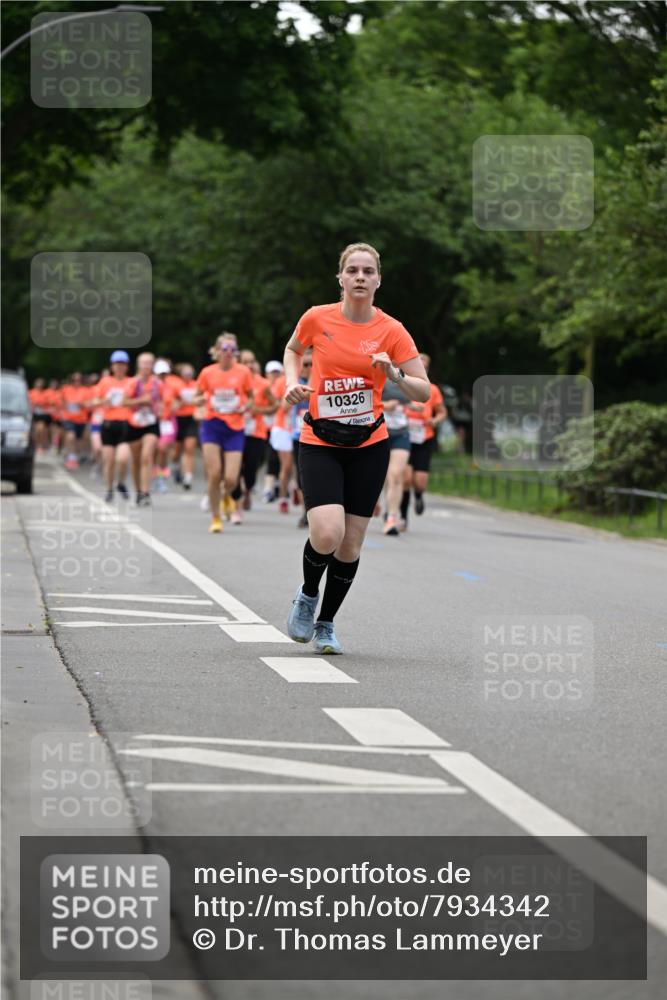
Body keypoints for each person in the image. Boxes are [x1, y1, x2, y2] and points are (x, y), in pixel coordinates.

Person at [284, 242, 429, 654]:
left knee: (351, 542)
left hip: (369, 443)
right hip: (320, 440)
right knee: (327, 532)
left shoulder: (392, 330)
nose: (360, 277)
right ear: (341, 278)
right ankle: (308, 594)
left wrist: (395, 372)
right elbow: (294, 349)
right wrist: (289, 382)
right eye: (353, 271)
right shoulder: (317, 318)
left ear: (379, 280)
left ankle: (326, 623)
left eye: (368, 271)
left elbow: (423, 390)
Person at [196, 334, 254, 533]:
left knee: (231, 478)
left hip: (235, 428)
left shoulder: (244, 372)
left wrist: (244, 406)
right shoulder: (207, 372)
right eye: (225, 349)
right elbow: (197, 396)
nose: (228, 353)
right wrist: (201, 403)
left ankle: (225, 495)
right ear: (217, 351)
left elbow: (251, 398)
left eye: (232, 349)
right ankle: (216, 517)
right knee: (214, 474)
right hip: (212, 425)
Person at [400, 353, 447, 529]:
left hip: (424, 437)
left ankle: (418, 495)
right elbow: (392, 403)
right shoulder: (402, 384)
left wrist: (434, 421)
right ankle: (403, 517)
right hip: (404, 435)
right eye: (419, 362)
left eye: (425, 364)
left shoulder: (433, 389)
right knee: (405, 479)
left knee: (419, 481)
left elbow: (442, 412)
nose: (422, 365)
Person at [90, 351, 133, 502]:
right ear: (112, 366)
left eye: (122, 364)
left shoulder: (131, 382)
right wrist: (103, 402)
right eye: (117, 364)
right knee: (109, 460)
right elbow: (93, 402)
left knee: (122, 458)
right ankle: (109, 488)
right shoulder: (105, 382)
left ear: (127, 367)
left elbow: (137, 401)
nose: (120, 367)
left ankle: (120, 482)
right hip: (108, 424)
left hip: (125, 424)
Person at [123, 352, 163, 506]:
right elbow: (123, 402)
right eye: (143, 363)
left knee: (147, 456)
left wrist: (161, 408)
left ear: (153, 365)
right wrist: (141, 400)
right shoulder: (132, 383)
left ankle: (146, 492)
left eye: (149, 363)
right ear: (138, 365)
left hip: (151, 423)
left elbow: (165, 400)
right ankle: (138, 491)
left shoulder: (158, 384)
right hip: (134, 423)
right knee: (137, 460)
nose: (146, 366)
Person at [380, 375, 412, 536]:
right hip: (379, 432)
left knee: (395, 475)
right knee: (381, 476)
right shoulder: (379, 376)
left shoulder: (408, 379)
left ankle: (392, 517)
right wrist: (385, 405)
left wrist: (414, 406)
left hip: (401, 433)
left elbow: (420, 398)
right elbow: (367, 401)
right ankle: (378, 503)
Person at [170, 362, 199, 490]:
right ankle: (175, 465)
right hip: (178, 419)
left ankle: (188, 476)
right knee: (177, 449)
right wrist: (180, 402)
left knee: (189, 447)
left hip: (191, 418)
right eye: (185, 373)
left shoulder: (196, 385)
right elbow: (173, 402)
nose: (188, 375)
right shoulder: (176, 385)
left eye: (190, 373)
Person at [60, 372, 89, 469]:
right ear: (71, 381)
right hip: (69, 418)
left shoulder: (85, 390)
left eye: (79, 380)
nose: (77, 382)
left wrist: (82, 404)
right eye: (74, 380)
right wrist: (63, 409)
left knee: (78, 440)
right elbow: (61, 401)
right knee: (71, 436)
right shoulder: (66, 389)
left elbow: (90, 403)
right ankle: (71, 457)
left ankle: (74, 456)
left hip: (81, 419)